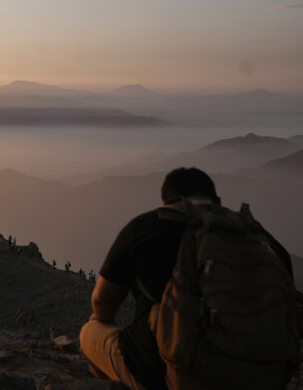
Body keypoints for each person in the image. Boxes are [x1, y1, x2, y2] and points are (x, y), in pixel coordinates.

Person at [79, 167, 294, 390]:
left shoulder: (145, 227)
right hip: (265, 379)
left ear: (168, 201)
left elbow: (102, 303)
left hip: (171, 376)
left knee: (90, 331)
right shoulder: (266, 242)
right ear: (216, 200)